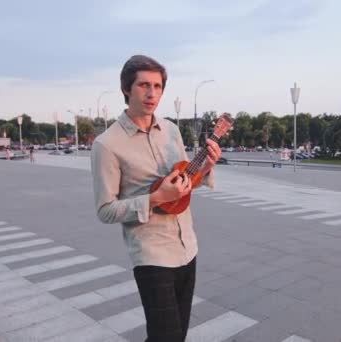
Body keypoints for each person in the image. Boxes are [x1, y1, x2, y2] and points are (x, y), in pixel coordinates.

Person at [90, 55, 221, 342]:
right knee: (166, 336)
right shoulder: (107, 144)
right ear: (126, 89)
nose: (152, 94)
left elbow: (185, 181)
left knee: (177, 335)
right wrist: (154, 198)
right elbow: (105, 210)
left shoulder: (171, 130)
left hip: (187, 247)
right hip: (151, 254)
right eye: (144, 85)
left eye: (158, 86)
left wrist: (207, 166)